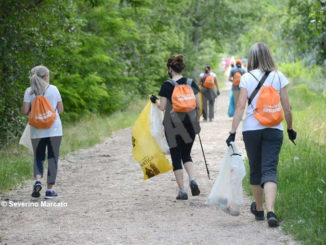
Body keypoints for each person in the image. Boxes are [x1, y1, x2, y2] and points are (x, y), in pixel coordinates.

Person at [226, 42, 297, 227]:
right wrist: (290, 128)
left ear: (252, 58)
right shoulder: (279, 76)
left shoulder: (246, 77)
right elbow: (287, 107)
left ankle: (258, 209)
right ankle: (270, 211)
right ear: (268, 55)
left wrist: (232, 132)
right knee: (270, 170)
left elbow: (240, 106)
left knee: (256, 168)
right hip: (274, 129)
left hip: (251, 130)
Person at [150, 55, 201, 200]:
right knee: (187, 155)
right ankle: (193, 180)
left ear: (170, 69)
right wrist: (196, 122)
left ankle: (182, 191)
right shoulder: (191, 83)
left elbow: (163, 107)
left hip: (172, 125)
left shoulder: (167, 85)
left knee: (176, 156)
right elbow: (198, 106)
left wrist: (155, 100)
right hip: (190, 124)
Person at [22, 65, 64, 199]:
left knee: (38, 157)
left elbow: (24, 111)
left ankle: (37, 181)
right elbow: (61, 110)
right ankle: (50, 190)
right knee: (53, 158)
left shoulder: (29, 91)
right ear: (46, 76)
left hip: (36, 130)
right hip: (54, 129)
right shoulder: (54, 89)